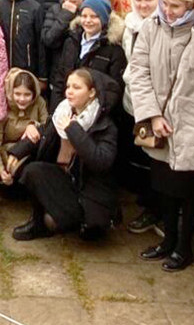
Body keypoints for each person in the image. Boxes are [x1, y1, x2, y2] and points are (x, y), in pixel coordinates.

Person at [127, 0, 194, 271]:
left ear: (193, 5)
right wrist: (152, 115)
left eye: (176, 6)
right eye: (165, 3)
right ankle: (168, 240)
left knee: (188, 190)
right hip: (159, 121)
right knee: (164, 185)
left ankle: (184, 246)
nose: (168, 11)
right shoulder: (151, 27)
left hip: (190, 121)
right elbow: (138, 72)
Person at [7, 68, 118, 241]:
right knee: (32, 170)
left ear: (92, 93)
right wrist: (17, 152)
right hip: (65, 181)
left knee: (85, 231)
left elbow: (101, 161)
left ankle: (81, 222)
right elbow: (43, 132)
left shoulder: (105, 125)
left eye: (76, 87)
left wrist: (73, 129)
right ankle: (38, 223)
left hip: (88, 193)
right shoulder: (64, 112)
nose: (69, 92)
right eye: (68, 87)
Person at [120, 0, 163, 234]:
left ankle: (154, 210)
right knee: (137, 155)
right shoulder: (130, 24)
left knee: (154, 159)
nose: (144, 4)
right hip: (131, 100)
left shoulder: (161, 26)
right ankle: (143, 203)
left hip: (153, 103)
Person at [47, 0, 125, 105]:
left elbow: (113, 89)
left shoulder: (113, 49)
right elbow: (60, 79)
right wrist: (56, 111)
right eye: (84, 16)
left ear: (104, 19)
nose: (88, 21)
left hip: (95, 111)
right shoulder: (71, 42)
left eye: (94, 17)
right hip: (67, 107)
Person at [0, 68, 49, 190]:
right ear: (11, 92)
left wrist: (33, 125)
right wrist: (0, 171)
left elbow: (48, 129)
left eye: (27, 94)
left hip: (32, 153)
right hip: (8, 158)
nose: (22, 99)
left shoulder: (39, 103)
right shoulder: (3, 108)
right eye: (17, 94)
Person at [40, 0, 92, 87]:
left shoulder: (91, 14)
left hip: (84, 75)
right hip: (59, 74)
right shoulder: (55, 10)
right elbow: (49, 40)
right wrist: (66, 15)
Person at [0, 0, 42, 76]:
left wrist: (42, 76)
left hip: (26, 69)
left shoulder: (34, 8)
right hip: (2, 68)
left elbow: (40, 44)